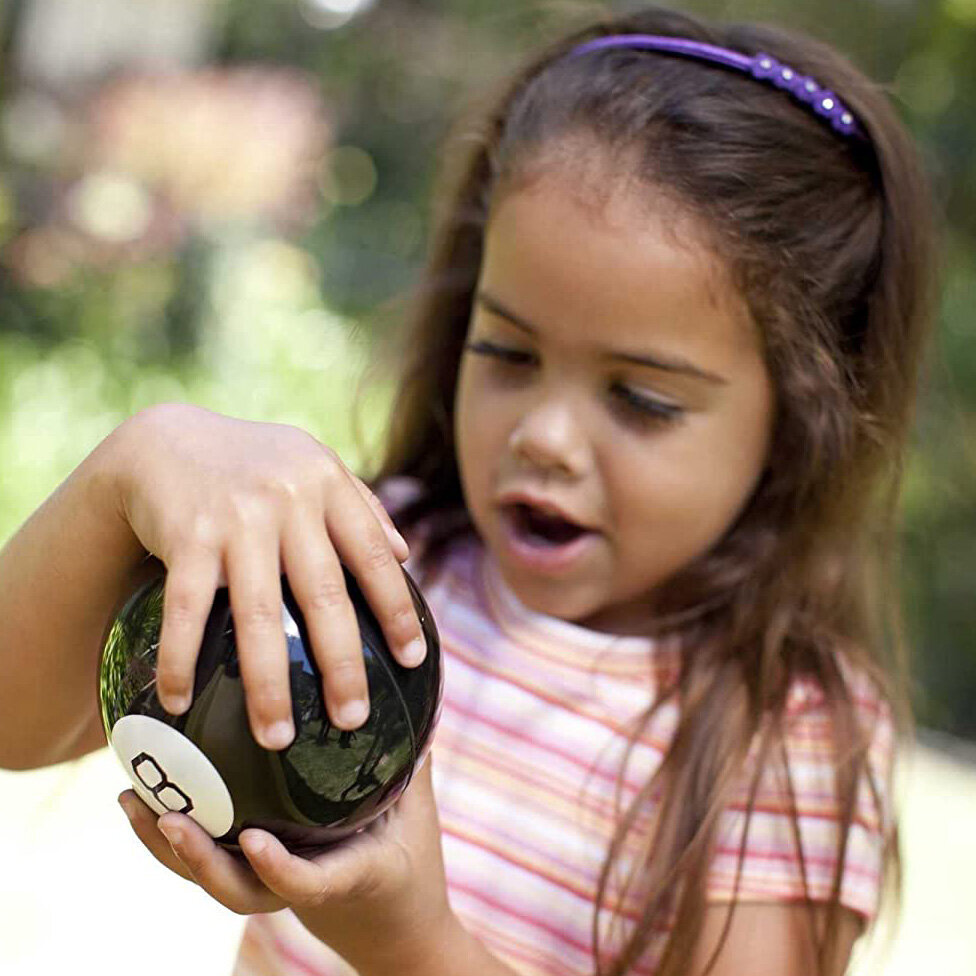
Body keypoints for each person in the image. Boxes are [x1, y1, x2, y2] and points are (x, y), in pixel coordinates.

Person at [0, 5, 940, 975]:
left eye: (642, 399)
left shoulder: (782, 737)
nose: (544, 435)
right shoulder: (366, 567)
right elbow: (15, 719)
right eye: (505, 351)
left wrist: (407, 944)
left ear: (797, 425)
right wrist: (135, 460)